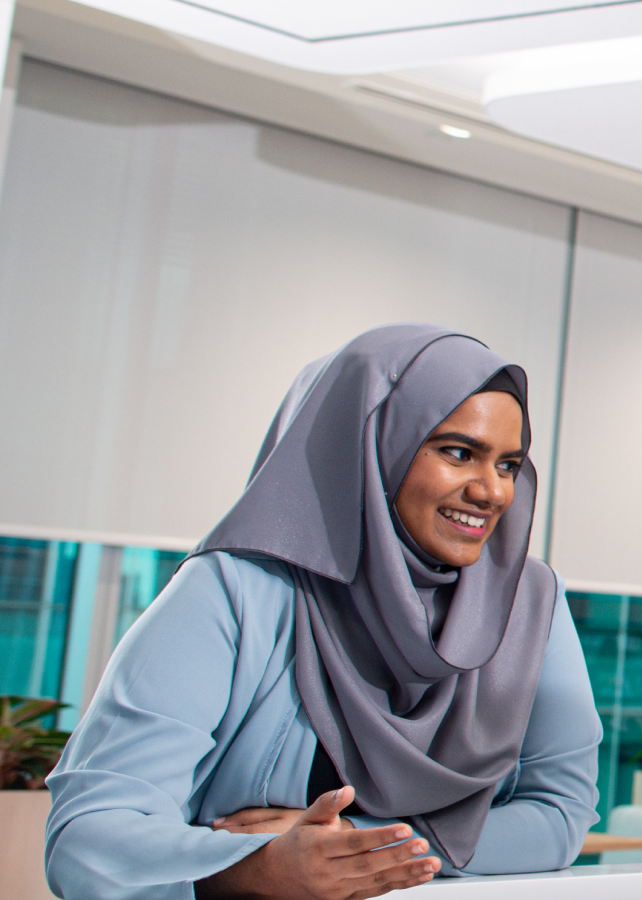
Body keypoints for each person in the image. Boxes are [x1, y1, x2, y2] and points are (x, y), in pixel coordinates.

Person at [43, 324, 602, 900]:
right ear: (368, 445)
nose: (493, 493)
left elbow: (561, 813)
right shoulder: (236, 591)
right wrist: (252, 868)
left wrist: (355, 849)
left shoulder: (529, 602)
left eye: (509, 465)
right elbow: (87, 843)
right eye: (458, 453)